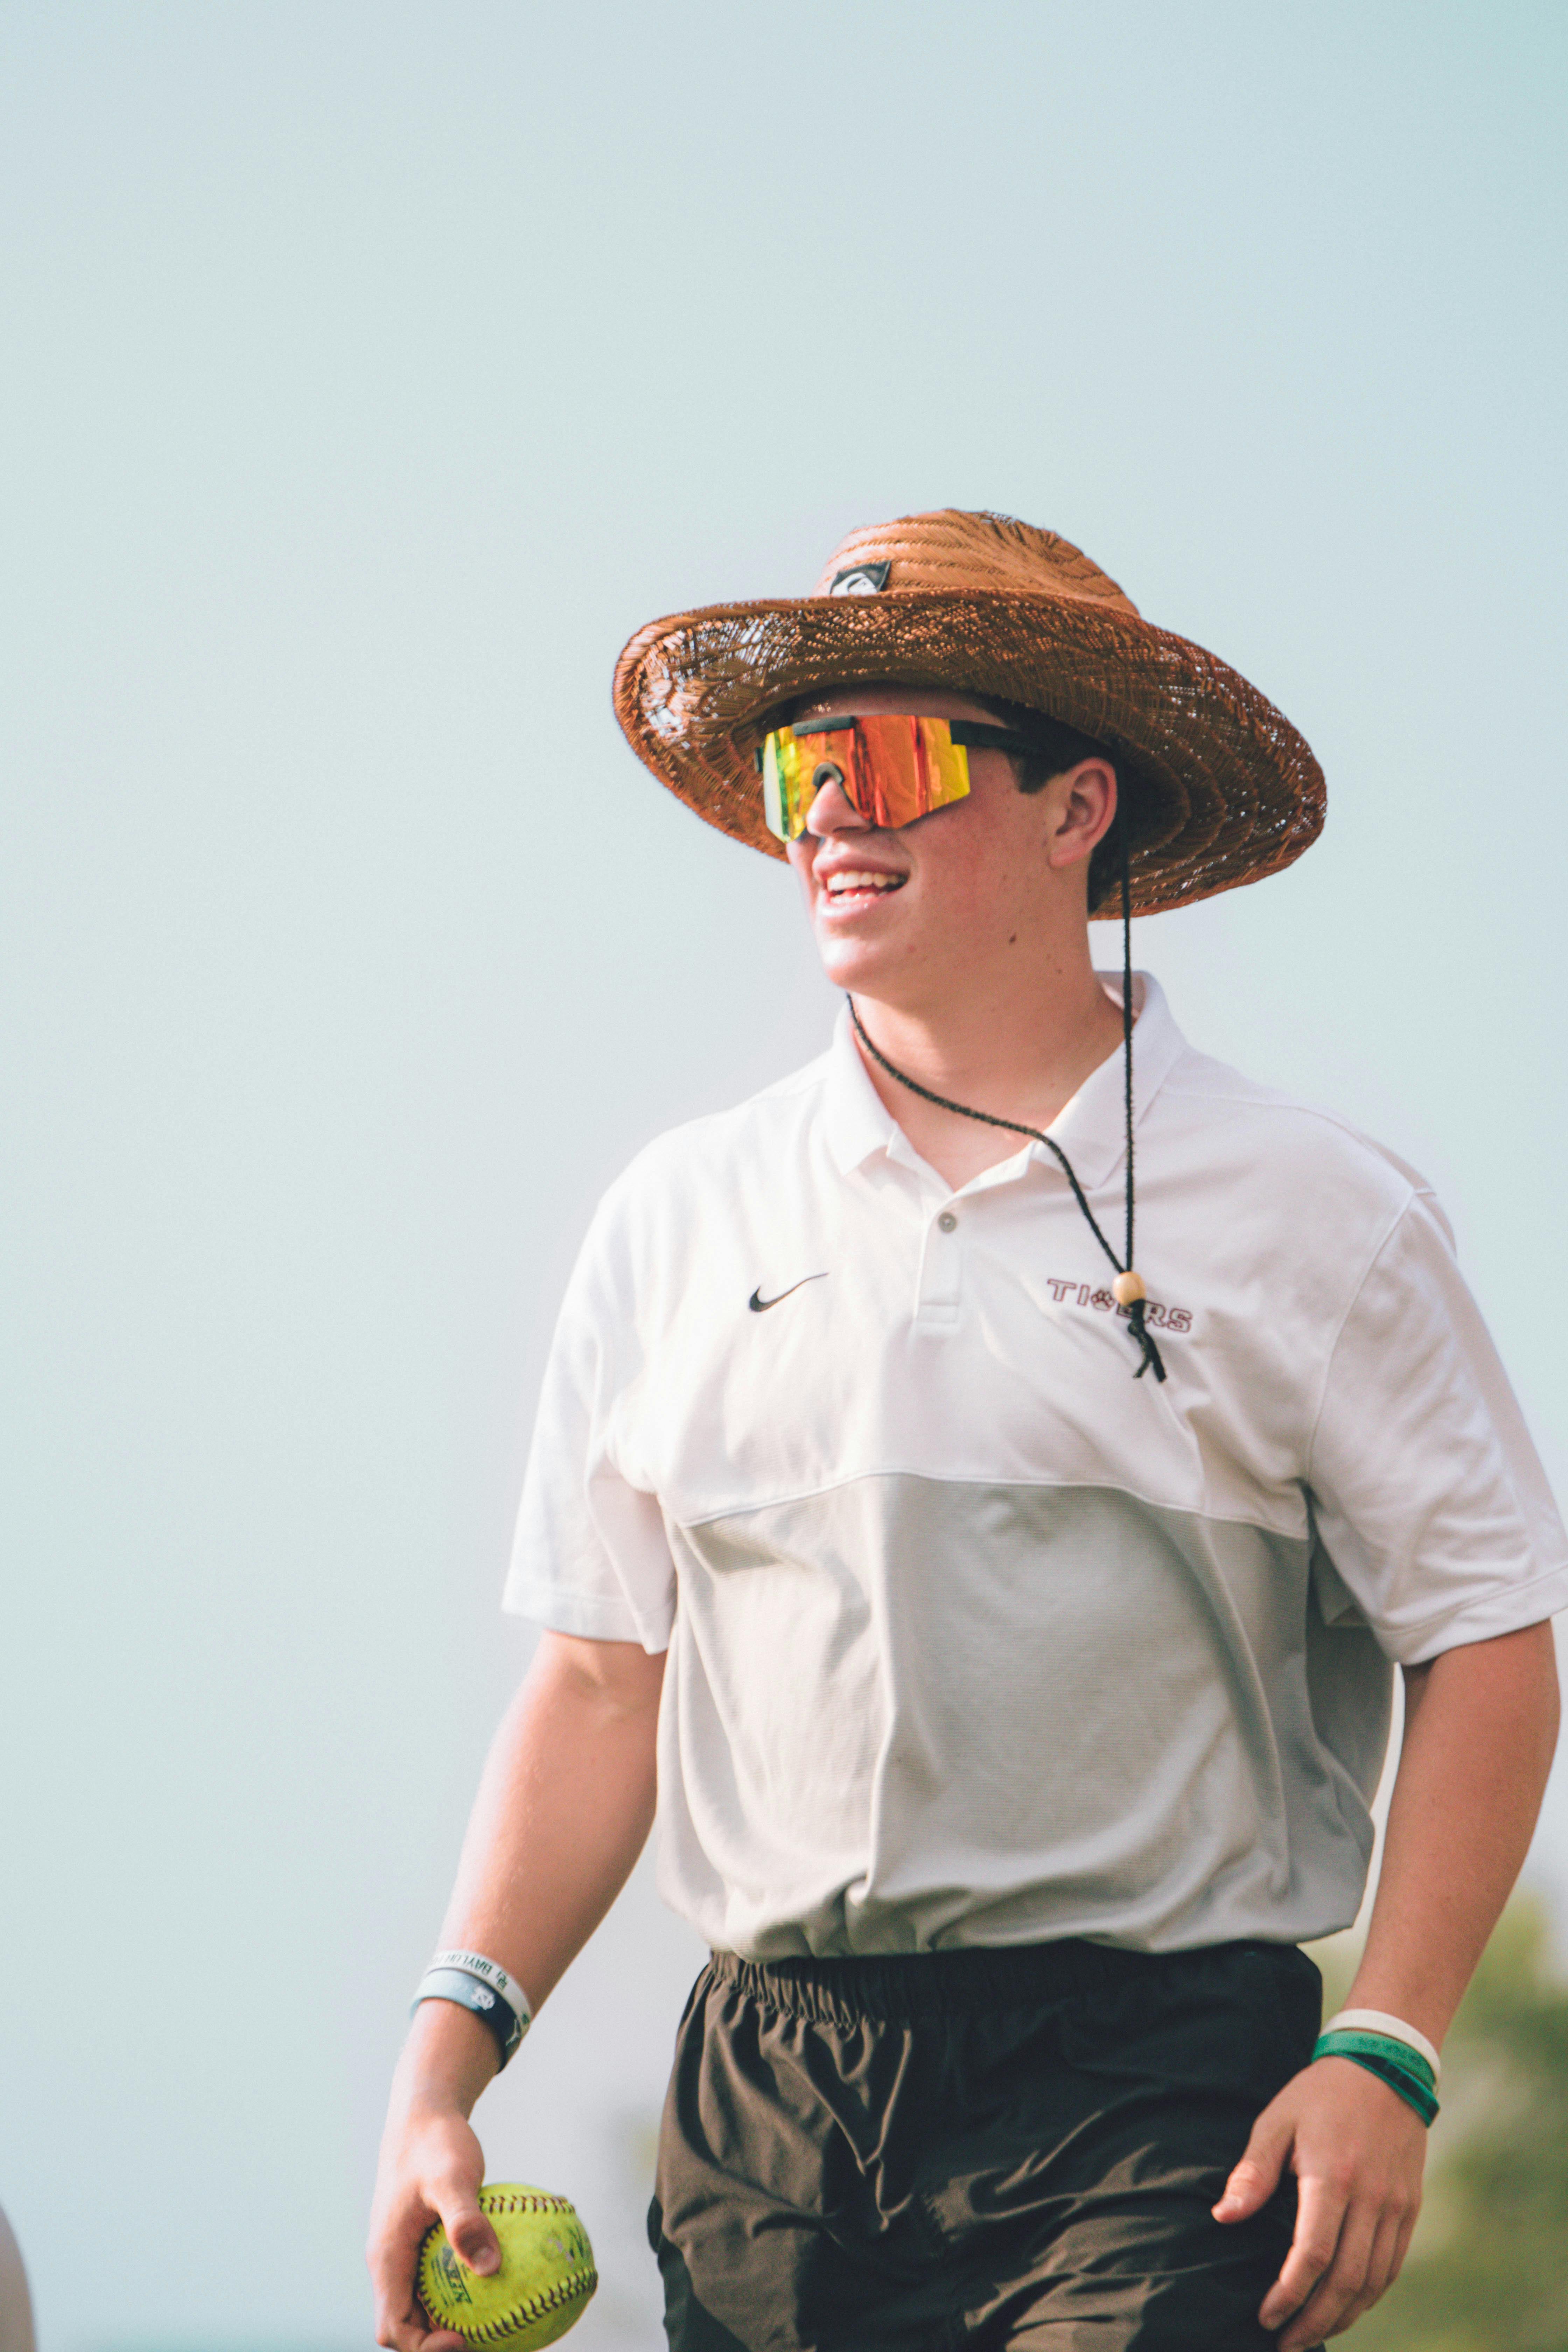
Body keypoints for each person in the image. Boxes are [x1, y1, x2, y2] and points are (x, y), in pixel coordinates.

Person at [367, 511, 1564, 2351]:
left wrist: (1388, 2048)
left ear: (1080, 808)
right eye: (801, 768)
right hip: (767, 2109)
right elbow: (605, 1681)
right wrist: (442, 2067)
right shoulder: (676, 1215)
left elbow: (1489, 1637)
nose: (832, 814)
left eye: (893, 761)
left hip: (1154, 2094)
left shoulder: (1319, 1214)